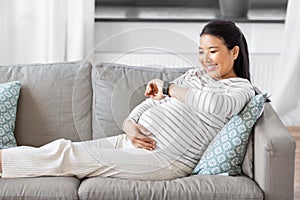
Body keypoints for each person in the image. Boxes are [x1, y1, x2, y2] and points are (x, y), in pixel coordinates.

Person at [0, 19, 255, 180]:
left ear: (234, 52)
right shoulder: (193, 76)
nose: (205, 59)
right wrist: (130, 125)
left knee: (68, 156)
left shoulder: (240, 88)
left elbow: (216, 106)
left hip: (165, 158)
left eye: (212, 51)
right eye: (201, 52)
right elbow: (151, 103)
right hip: (133, 142)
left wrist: (169, 89)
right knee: (66, 147)